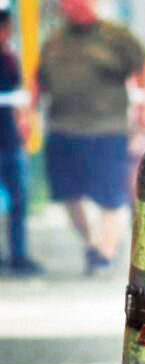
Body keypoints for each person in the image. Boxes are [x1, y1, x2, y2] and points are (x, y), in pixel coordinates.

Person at [34, 0, 145, 275]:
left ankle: (106, 251)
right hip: (62, 127)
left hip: (107, 129)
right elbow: (38, 80)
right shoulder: (55, 40)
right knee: (67, 193)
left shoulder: (116, 36)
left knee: (111, 195)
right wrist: (27, 113)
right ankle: (92, 243)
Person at [0, 1, 40, 275]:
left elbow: (16, 101)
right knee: (16, 200)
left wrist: (24, 126)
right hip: (8, 143)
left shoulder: (10, 60)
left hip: (10, 141)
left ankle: (18, 254)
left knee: (18, 201)